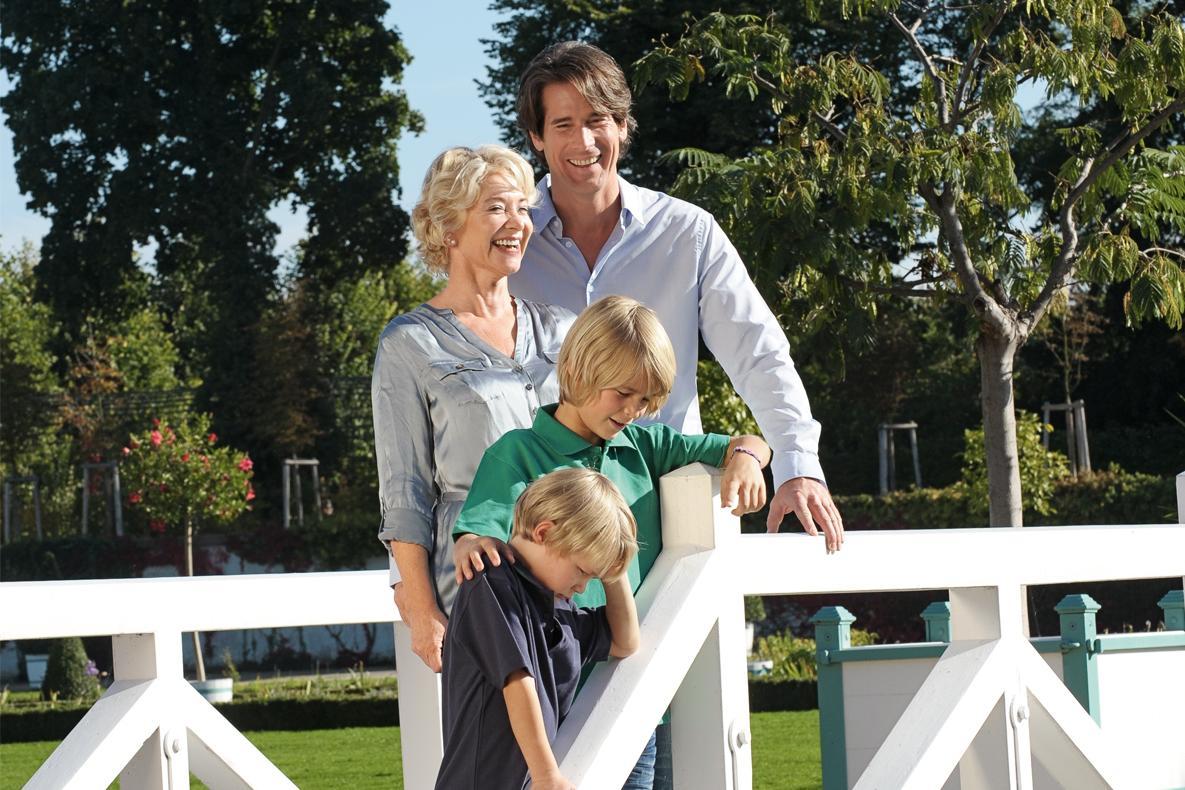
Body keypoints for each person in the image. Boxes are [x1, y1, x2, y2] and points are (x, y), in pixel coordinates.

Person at [508, 41, 844, 553]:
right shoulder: (510, 244)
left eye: (599, 119)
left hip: (668, 509)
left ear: (623, 125)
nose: (585, 140)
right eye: (562, 124)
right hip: (540, 519)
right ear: (536, 137)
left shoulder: (688, 233)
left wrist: (799, 467)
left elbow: (758, 352)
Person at [452, 295, 771, 789]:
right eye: (622, 393)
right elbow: (486, 536)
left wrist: (749, 456)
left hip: (633, 689)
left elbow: (742, 441)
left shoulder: (646, 445)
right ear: (578, 368)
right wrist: (469, 540)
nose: (634, 410)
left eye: (646, 400)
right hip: (550, 701)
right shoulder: (517, 452)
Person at [372, 144, 574, 673]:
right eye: (496, 207)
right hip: (479, 578)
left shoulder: (563, 329)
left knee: (610, 743)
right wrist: (419, 608)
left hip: (577, 573)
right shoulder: (410, 343)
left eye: (523, 208)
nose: (518, 223)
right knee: (505, 751)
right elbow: (405, 489)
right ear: (449, 228)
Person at [435, 467, 640, 790]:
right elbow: (517, 680)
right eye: (583, 571)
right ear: (543, 533)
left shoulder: (561, 611)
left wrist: (613, 568)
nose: (584, 587)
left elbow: (624, 641)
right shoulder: (491, 583)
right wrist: (546, 776)